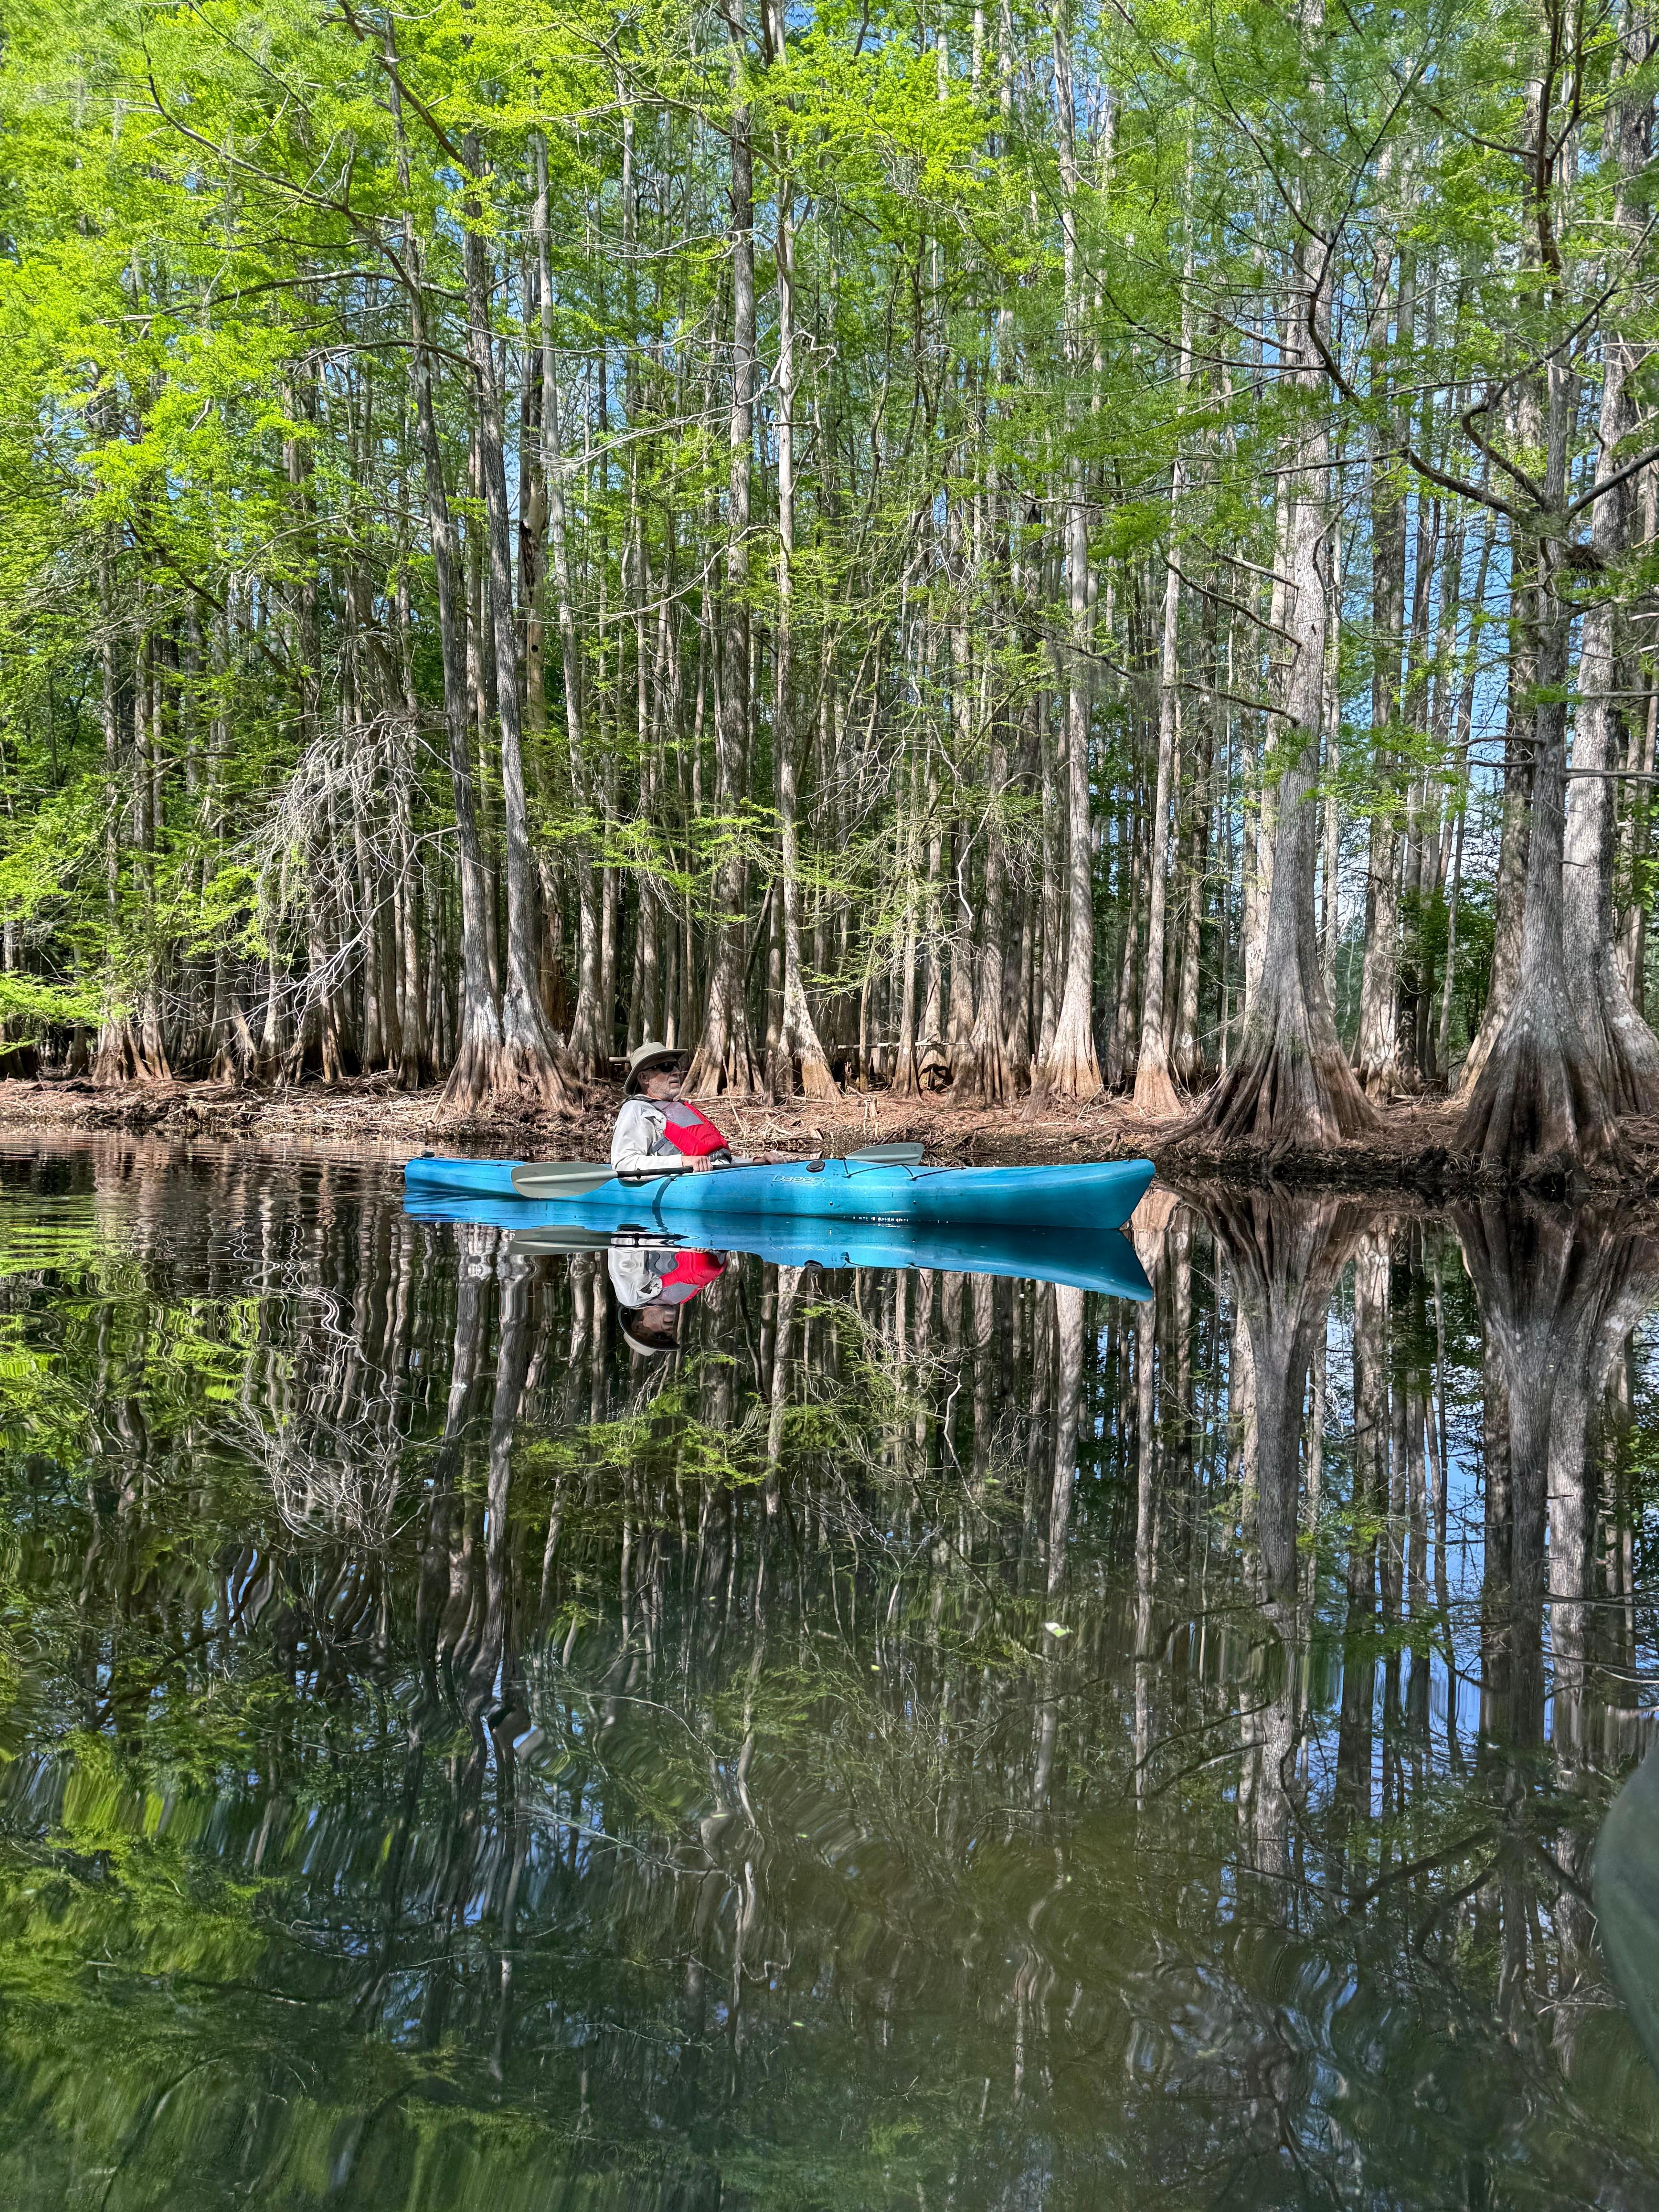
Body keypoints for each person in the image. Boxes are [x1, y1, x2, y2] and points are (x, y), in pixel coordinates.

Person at [610, 1041, 799, 1177]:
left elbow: (716, 1160)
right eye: (666, 1067)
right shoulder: (636, 1110)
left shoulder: (681, 1108)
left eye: (676, 1066)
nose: (676, 1071)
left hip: (715, 1177)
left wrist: (755, 1163)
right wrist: (683, 1162)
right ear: (644, 1078)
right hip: (688, 1184)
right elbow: (624, 1165)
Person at [607, 1237, 726, 1357]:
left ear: (638, 1326)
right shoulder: (681, 1298)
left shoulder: (632, 1297)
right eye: (669, 1336)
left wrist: (681, 1245)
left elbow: (624, 1243)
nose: (670, 1331)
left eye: (659, 1335)